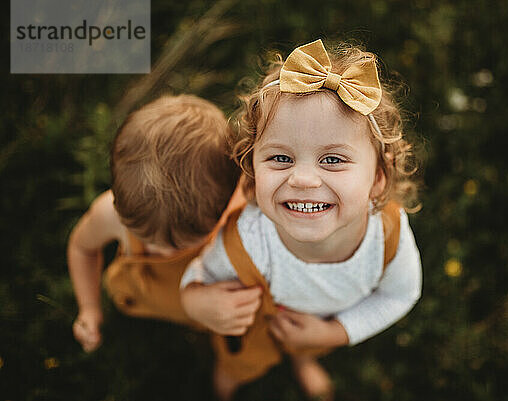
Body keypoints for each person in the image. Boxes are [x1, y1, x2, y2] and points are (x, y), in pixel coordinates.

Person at [180, 39, 423, 400]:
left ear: (378, 178)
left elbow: (400, 295)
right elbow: (200, 272)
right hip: (256, 329)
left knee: (306, 344)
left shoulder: (388, 237)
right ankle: (227, 382)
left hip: (319, 325)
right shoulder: (247, 239)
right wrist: (195, 302)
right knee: (236, 367)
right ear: (252, 165)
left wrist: (332, 334)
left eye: (333, 160)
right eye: (280, 158)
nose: (303, 179)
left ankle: (303, 359)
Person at [67, 94, 253, 353]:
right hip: (140, 297)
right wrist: (89, 307)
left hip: (206, 309)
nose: (162, 252)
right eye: (142, 236)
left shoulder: (242, 216)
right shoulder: (110, 214)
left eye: (179, 245)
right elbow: (81, 248)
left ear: (224, 208)